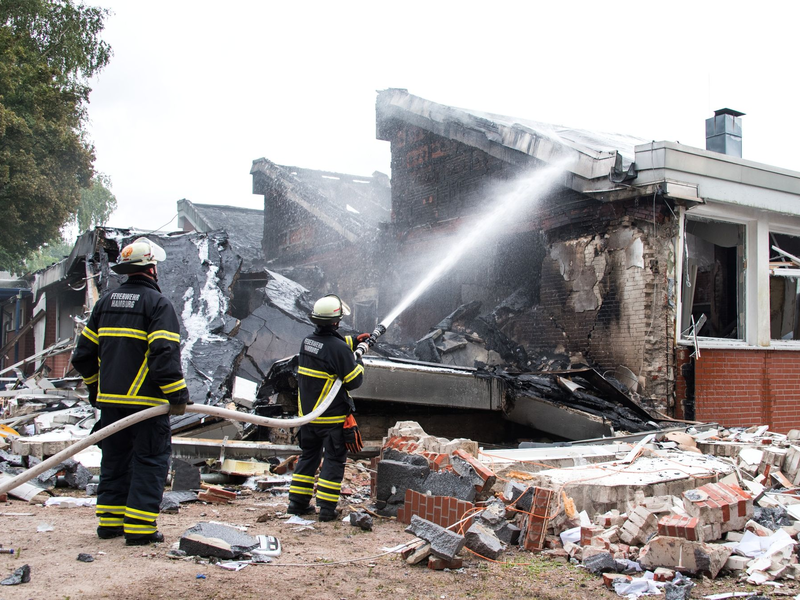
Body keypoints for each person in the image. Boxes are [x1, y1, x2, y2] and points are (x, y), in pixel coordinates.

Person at [71, 237, 190, 545]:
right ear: (151, 269)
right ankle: (139, 529)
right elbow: (164, 354)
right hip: (147, 406)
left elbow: (82, 356)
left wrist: (97, 389)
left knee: (115, 460)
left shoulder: (105, 303)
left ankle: (110, 523)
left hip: (111, 407)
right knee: (149, 461)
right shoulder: (158, 305)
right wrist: (177, 395)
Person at [287, 294, 366, 521]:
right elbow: (353, 381)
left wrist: (353, 341)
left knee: (308, 458)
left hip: (308, 418)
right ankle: (327, 510)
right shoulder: (338, 350)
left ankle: (297, 504)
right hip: (331, 419)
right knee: (333, 461)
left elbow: (328, 348)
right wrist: (359, 360)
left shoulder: (307, 342)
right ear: (336, 321)